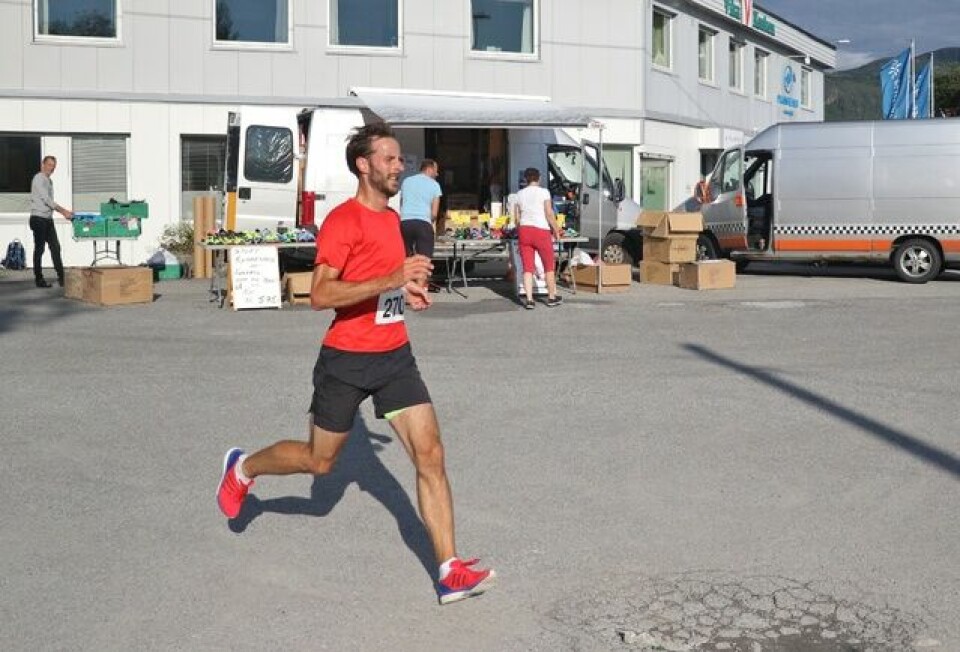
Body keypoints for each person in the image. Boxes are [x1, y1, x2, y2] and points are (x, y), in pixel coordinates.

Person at [216, 123, 495, 606]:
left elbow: (379, 283)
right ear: (363, 165)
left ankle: (449, 569)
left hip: (394, 355)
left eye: (399, 159)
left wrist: (407, 290)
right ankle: (244, 469)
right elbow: (321, 294)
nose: (398, 165)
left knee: (430, 456)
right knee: (319, 463)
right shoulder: (342, 221)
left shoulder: (391, 220)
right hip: (345, 359)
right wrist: (392, 275)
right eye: (389, 158)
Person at [513, 167, 562, 309]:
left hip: (524, 230)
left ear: (526, 179)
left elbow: (517, 218)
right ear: (538, 178)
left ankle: (529, 300)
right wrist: (556, 229)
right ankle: (551, 297)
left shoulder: (519, 194)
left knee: (527, 268)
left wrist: (520, 228)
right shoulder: (544, 192)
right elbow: (549, 213)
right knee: (548, 265)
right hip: (541, 231)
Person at [29, 155, 73, 288]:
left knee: (55, 247)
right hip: (38, 219)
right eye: (49, 165)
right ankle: (39, 279)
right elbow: (46, 200)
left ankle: (62, 278)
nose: (51, 169)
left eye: (53, 167)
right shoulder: (38, 178)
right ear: (43, 164)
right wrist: (64, 211)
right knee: (40, 249)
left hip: (47, 219)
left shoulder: (49, 181)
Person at [399, 159, 442, 258]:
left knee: (405, 258)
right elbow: (434, 214)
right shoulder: (435, 185)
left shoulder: (406, 181)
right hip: (423, 224)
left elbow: (401, 204)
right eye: (436, 170)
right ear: (429, 169)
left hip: (405, 223)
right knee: (424, 261)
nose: (437, 174)